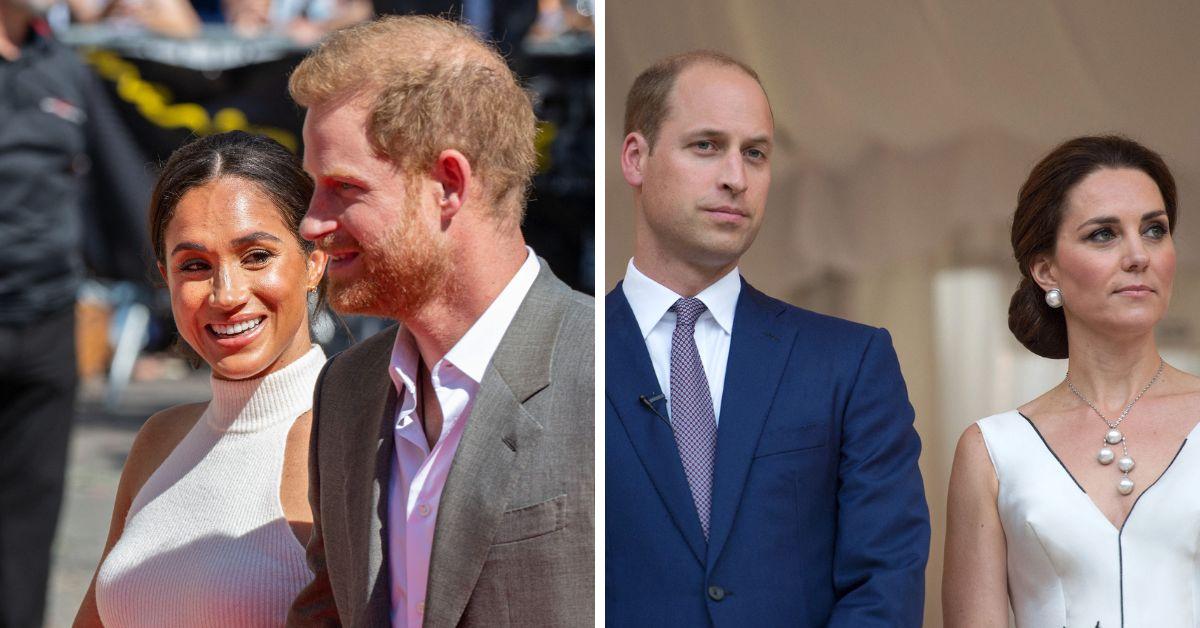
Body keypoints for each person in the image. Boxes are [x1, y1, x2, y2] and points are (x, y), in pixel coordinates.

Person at [286, 15, 593, 627]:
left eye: (342, 187)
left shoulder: (610, 372)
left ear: (448, 184)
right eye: (312, 188)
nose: (310, 223)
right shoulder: (346, 392)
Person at [606, 50, 929, 627]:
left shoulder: (849, 361)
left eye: (754, 153)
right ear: (636, 157)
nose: (736, 177)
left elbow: (885, 579)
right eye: (706, 145)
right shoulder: (572, 352)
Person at [73, 131, 329, 627]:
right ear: (165, 277)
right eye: (195, 265)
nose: (225, 293)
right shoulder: (160, 439)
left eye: (256, 255)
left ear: (314, 261)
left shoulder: (354, 437)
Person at [943, 135, 1200, 627]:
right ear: (1046, 270)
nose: (1138, 255)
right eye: (1103, 234)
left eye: (1154, 230)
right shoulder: (993, 452)